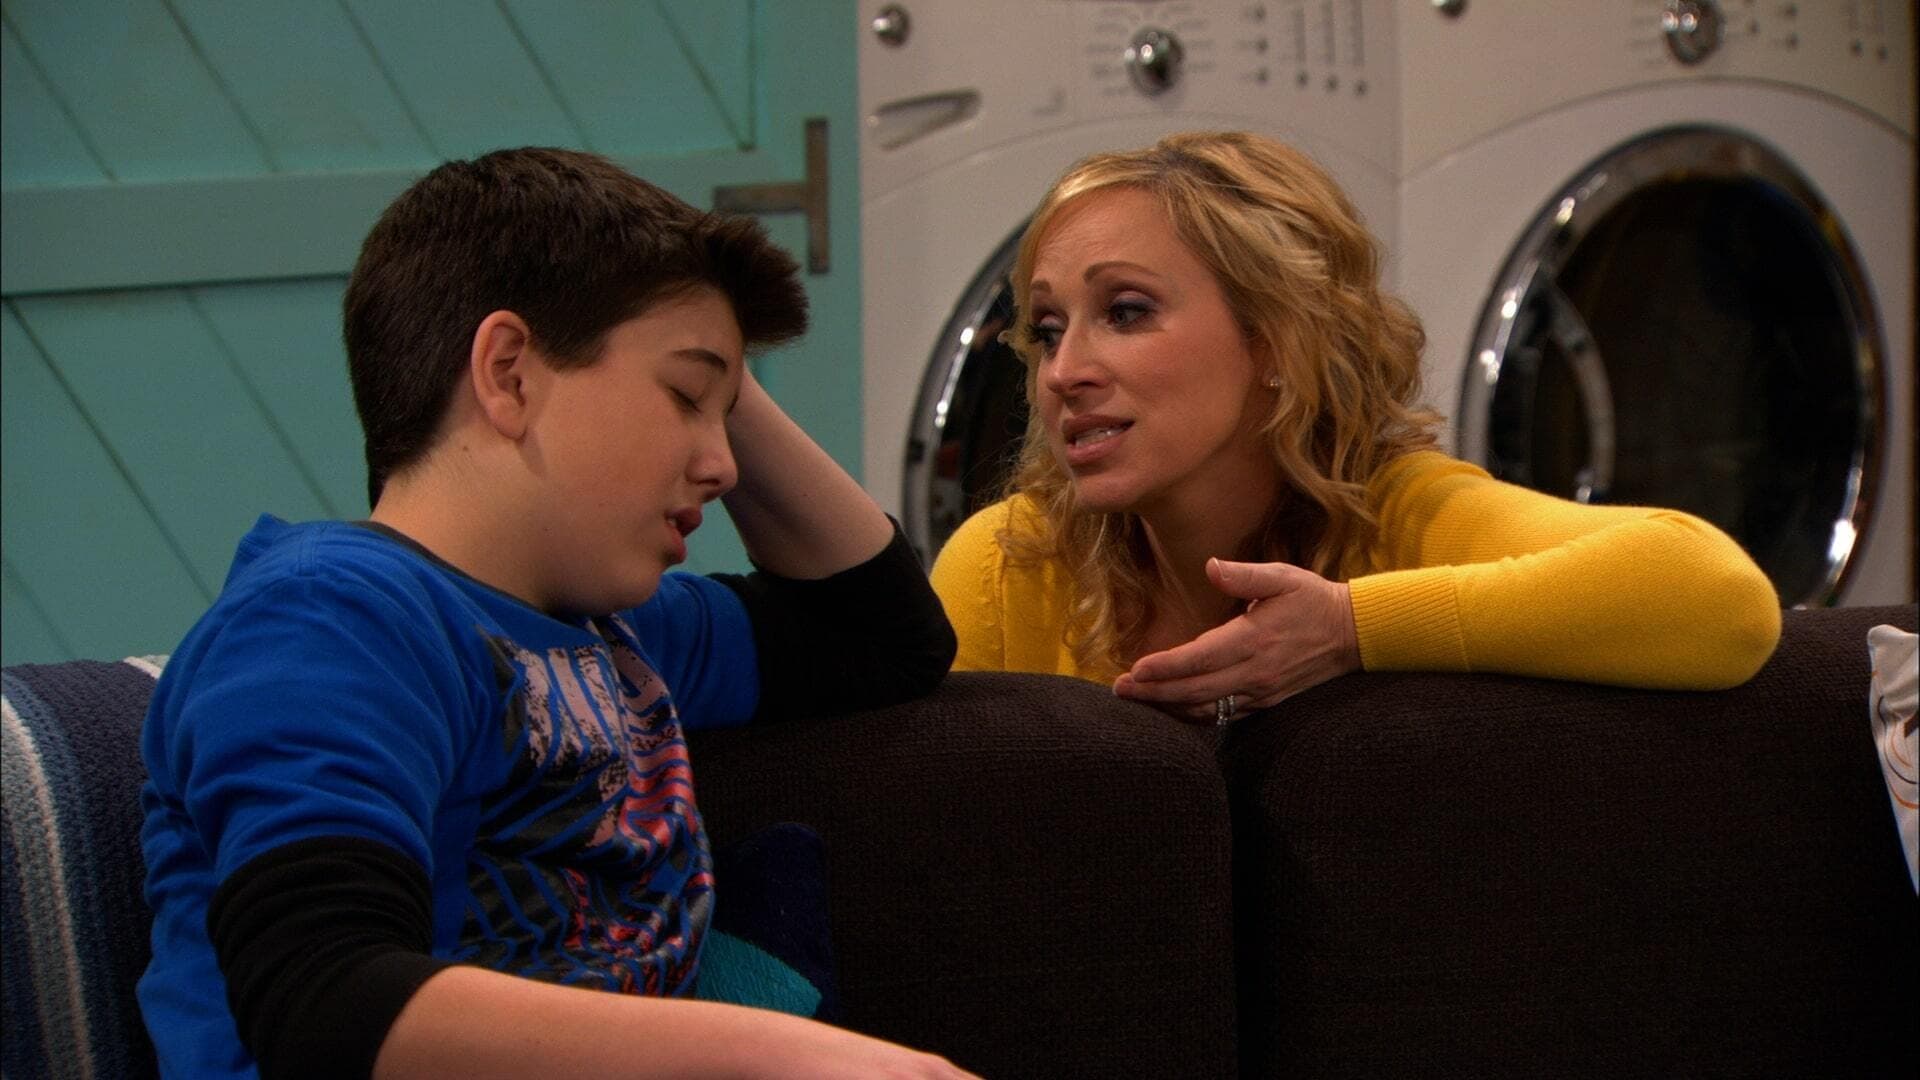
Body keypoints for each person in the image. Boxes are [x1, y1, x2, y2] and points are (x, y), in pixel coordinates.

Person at [137, 148, 974, 1079]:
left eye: (727, 413)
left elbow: (884, 636)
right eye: (685, 397)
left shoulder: (617, 629)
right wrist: (788, 1057)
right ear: (508, 373)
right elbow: (323, 1001)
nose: (724, 464)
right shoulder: (331, 619)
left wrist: (720, 368)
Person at [930, 130, 1781, 724]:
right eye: (1047, 330)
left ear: (1274, 341)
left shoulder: (1399, 516)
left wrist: (1351, 629)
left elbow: (1720, 598)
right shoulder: (1010, 568)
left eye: (1125, 311)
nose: (1063, 372)